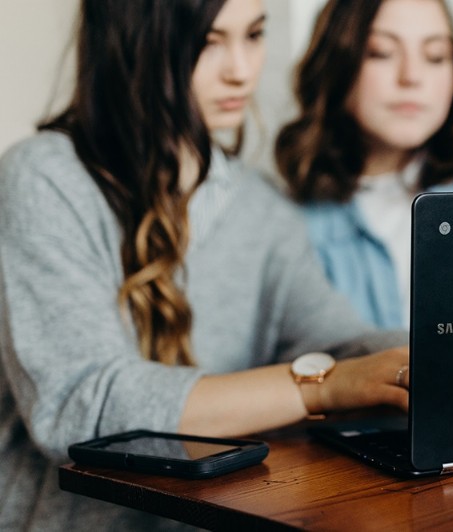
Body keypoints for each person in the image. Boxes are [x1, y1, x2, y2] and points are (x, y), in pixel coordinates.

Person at [0, 0, 410, 529]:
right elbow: (82, 404)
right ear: (135, 46)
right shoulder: (43, 179)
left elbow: (337, 342)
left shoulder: (263, 208)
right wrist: (323, 387)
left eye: (254, 34)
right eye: (210, 42)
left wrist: (432, 357)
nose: (241, 69)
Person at [275, 0, 453, 329]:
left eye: (435, 56)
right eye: (381, 52)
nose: (412, 77)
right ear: (335, 64)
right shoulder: (292, 218)